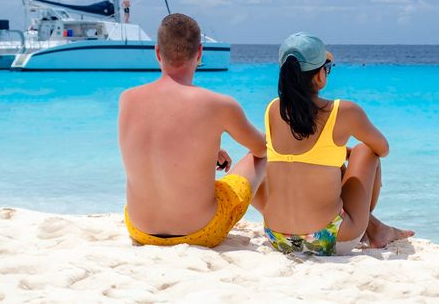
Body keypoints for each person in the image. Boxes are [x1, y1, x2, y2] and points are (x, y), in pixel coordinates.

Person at [257, 32, 413, 255]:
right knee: (365, 150)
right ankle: (374, 229)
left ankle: (376, 227)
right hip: (326, 238)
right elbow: (383, 148)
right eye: (327, 68)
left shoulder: (273, 108)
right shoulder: (343, 111)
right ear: (320, 76)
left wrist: (335, 153)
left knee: (327, 162)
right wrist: (346, 153)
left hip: (277, 237)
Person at [118, 13, 266, 247]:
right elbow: (261, 147)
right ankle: (282, 218)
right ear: (199, 53)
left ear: (158, 52)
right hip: (201, 231)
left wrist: (208, 148)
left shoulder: (127, 99)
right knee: (260, 158)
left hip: (139, 229)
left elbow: (155, 144)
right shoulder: (219, 104)